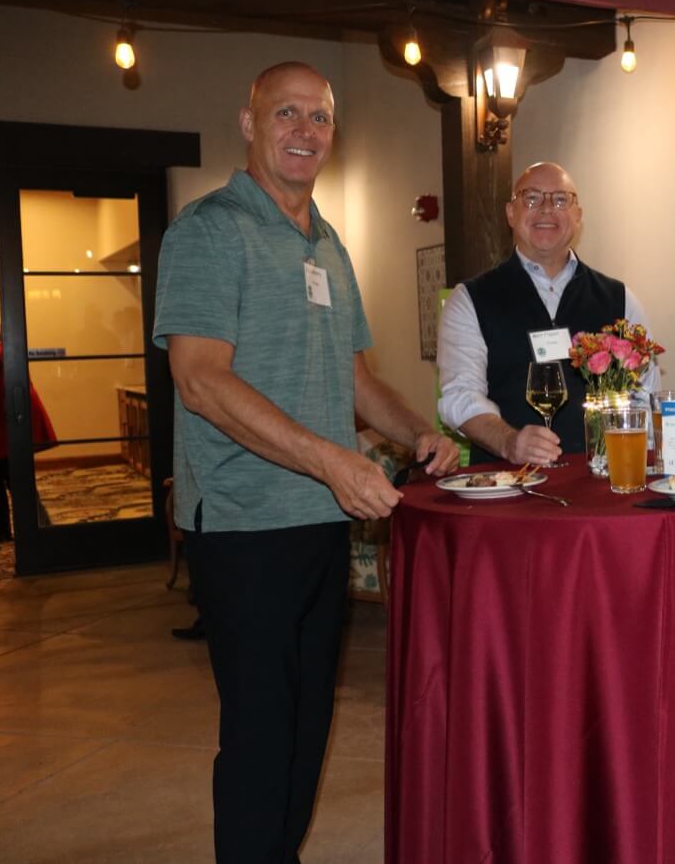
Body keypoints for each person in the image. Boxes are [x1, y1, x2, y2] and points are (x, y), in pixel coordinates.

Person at [152, 61, 458, 863]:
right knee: (260, 738)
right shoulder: (209, 229)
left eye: (319, 117)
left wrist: (419, 431)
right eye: (286, 113)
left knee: (305, 729)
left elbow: (356, 380)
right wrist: (333, 461)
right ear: (249, 123)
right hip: (245, 527)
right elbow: (199, 379)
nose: (304, 130)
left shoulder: (327, 241)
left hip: (322, 522)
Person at [437, 161, 658, 465]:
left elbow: (645, 398)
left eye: (560, 199)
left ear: (577, 215)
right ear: (510, 213)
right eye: (531, 198)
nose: (546, 209)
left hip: (597, 484)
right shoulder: (470, 300)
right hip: (507, 484)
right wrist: (508, 442)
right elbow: (460, 396)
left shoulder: (620, 299)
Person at [0, 320, 59, 540]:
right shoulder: (8, 350)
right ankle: (38, 527)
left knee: (14, 483)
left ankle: (7, 532)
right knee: (21, 483)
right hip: (11, 427)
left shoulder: (1, 353)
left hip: (4, 431)